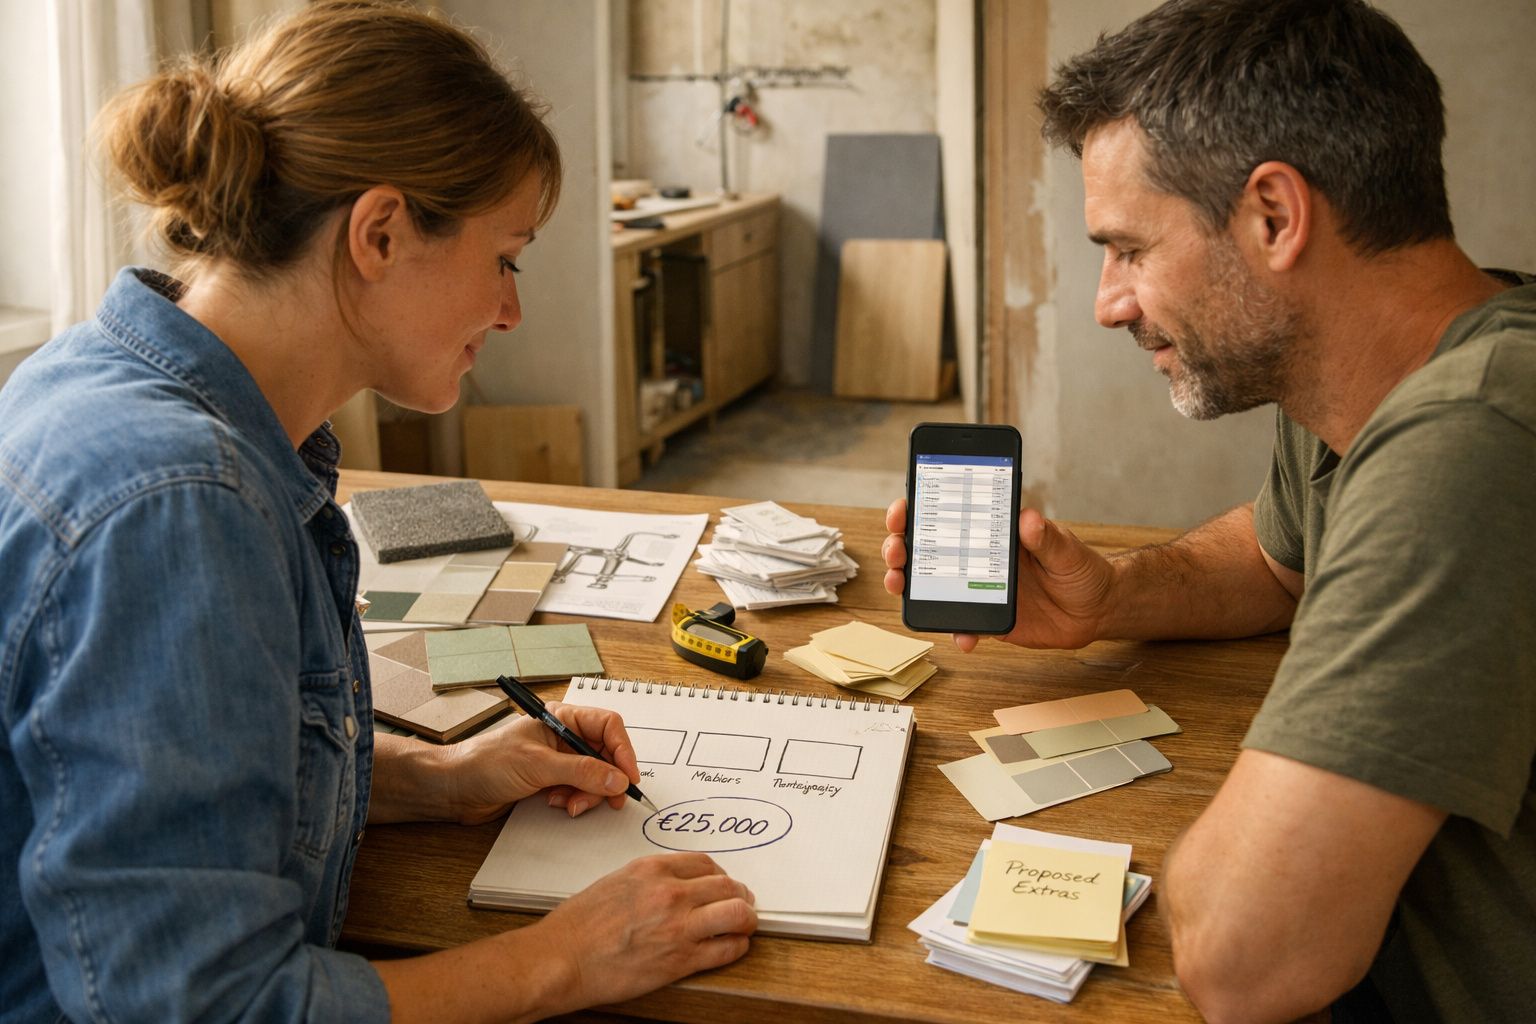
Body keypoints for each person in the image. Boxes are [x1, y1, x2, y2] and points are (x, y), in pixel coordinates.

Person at [0, 4, 755, 1021]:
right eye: (507, 258)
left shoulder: (101, 379)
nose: (510, 311)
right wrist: (565, 959)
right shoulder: (180, 508)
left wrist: (445, 776)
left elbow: (210, 762)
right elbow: (205, 1006)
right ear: (382, 232)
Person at [882, 1, 1534, 1021]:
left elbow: (1240, 962)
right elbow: (1279, 562)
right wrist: (1109, 598)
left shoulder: (1472, 440)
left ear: (1273, 217)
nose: (1107, 301)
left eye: (1129, 248)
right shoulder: (1375, 373)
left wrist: (1206, 848)